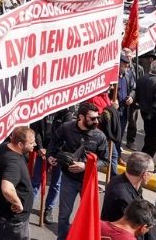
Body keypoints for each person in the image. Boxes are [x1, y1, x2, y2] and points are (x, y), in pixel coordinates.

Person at [48, 101, 108, 240]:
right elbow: (53, 142)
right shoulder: (66, 128)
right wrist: (50, 156)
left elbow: (105, 161)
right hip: (68, 180)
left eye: (97, 117)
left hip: (88, 182)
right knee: (64, 215)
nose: (96, 121)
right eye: (92, 118)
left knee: (88, 215)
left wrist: (85, 166)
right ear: (81, 117)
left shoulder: (100, 136)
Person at [0, 126, 36, 240]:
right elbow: (7, 188)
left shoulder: (3, 147)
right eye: (31, 143)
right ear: (20, 145)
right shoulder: (13, 163)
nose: (34, 144)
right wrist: (18, 203)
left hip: (3, 211)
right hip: (13, 219)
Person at [100, 151, 153, 222]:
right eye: (152, 171)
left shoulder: (120, 180)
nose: (153, 174)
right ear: (145, 175)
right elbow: (133, 224)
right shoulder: (124, 197)